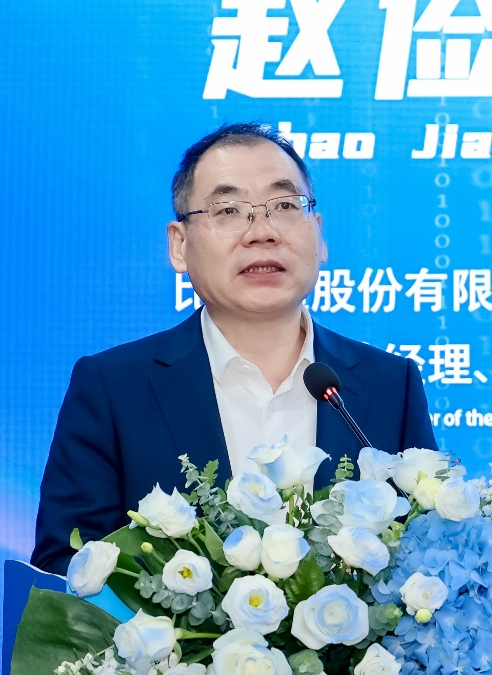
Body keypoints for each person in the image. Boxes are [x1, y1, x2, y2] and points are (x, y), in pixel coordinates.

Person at [31, 123, 436, 574]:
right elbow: (62, 569)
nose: (262, 231)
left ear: (319, 236)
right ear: (179, 245)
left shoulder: (391, 384)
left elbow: (426, 555)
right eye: (227, 210)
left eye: (285, 206)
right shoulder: (113, 388)